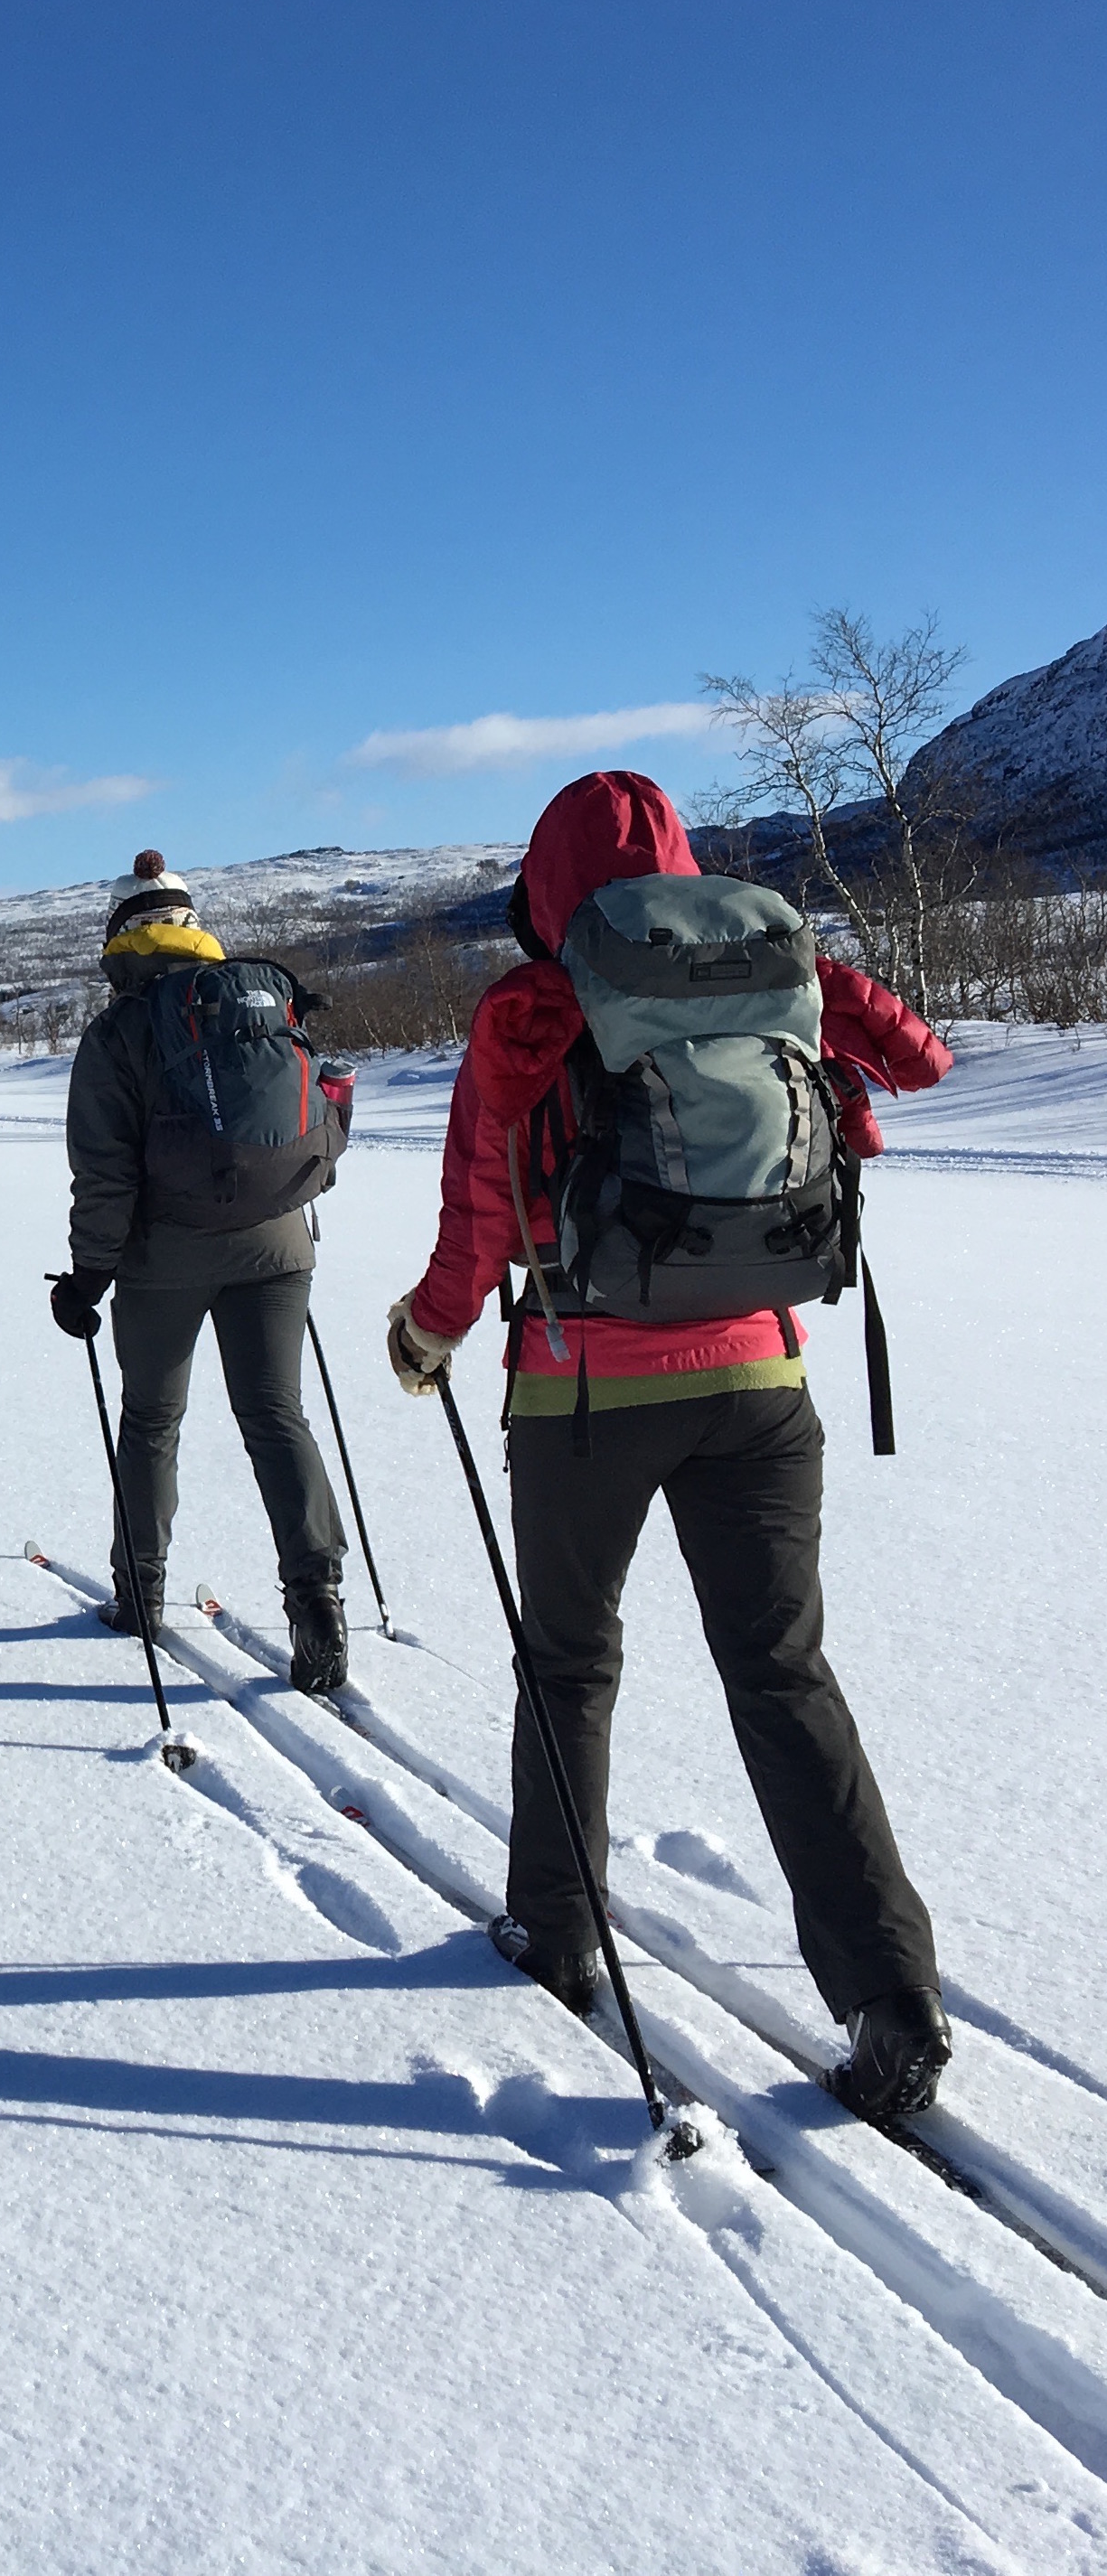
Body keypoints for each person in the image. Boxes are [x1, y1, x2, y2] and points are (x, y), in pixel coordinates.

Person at [383, 769, 954, 2121]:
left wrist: (426, 1333)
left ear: (541, 888)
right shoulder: (779, 966)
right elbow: (918, 1063)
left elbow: (478, 1210)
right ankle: (889, 1993)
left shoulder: (530, 1005)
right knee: (779, 1672)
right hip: (761, 1377)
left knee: (568, 1663)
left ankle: (553, 1928)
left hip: (582, 1392)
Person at [52, 849, 352, 1691]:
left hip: (166, 1256)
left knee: (151, 1421)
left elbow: (104, 1176)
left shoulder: (118, 1033)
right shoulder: (258, 1003)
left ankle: (139, 1595)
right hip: (280, 1242)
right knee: (276, 1416)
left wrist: (84, 1281)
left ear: (121, 940)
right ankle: (318, 1599)